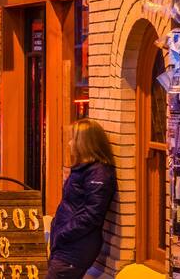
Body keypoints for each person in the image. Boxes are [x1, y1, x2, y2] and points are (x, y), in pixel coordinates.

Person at [48, 119, 117, 279]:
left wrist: (63, 233)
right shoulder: (84, 169)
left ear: (85, 144)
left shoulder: (98, 174)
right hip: (67, 245)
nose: (70, 143)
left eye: (74, 139)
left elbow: (92, 215)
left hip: (76, 247)